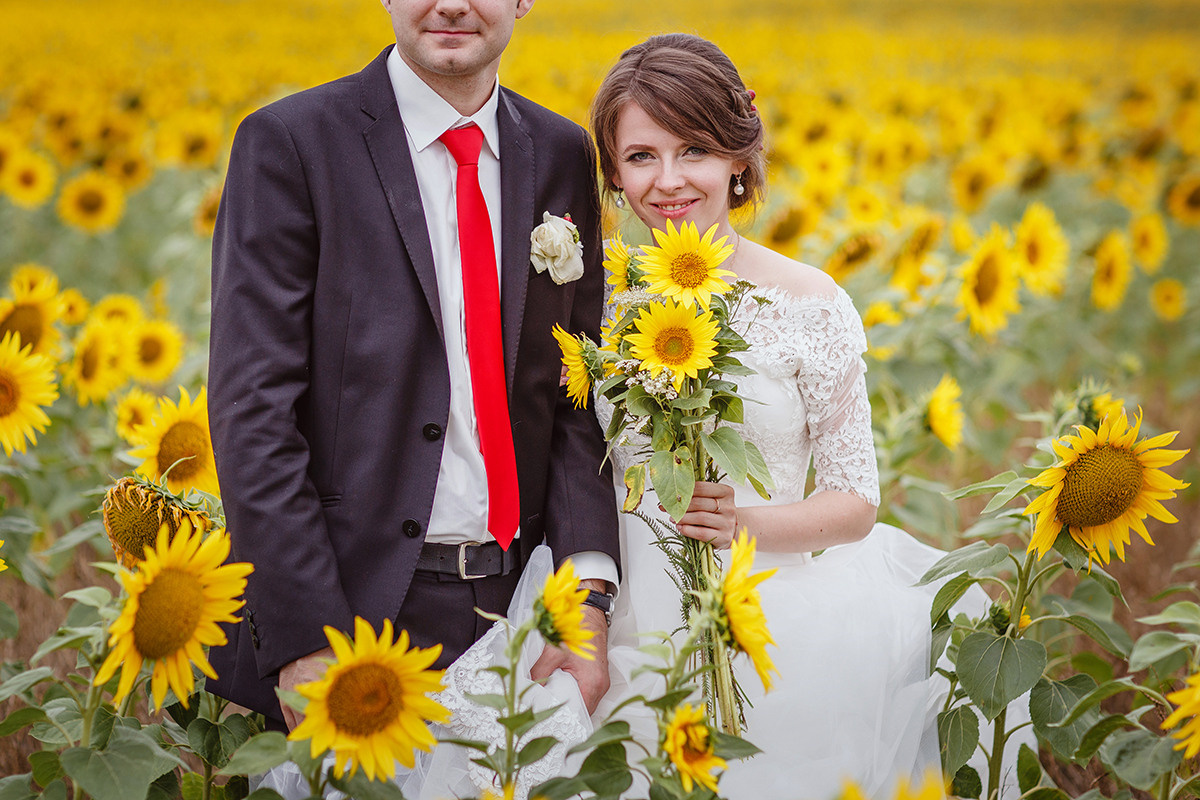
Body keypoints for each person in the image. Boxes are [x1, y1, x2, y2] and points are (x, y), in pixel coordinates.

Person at [206, 0, 621, 747]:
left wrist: (589, 596)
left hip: (524, 615)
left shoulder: (561, 154)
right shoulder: (293, 145)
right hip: (353, 613)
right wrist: (305, 638)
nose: (453, 4)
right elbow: (252, 410)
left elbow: (573, 398)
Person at [584, 34, 951, 798]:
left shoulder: (810, 303)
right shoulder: (598, 305)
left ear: (738, 159)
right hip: (618, 611)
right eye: (642, 156)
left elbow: (855, 502)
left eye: (695, 151)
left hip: (769, 612)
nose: (670, 180)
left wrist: (744, 525)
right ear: (614, 173)